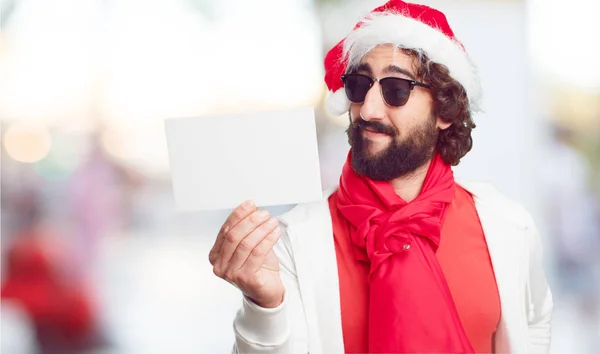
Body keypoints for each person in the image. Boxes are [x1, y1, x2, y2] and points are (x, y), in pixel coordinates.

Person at [209, 1, 553, 353]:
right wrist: (263, 308)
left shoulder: (507, 226)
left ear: (445, 110)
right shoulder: (295, 238)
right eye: (359, 86)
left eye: (396, 89)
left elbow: (534, 323)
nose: (368, 110)